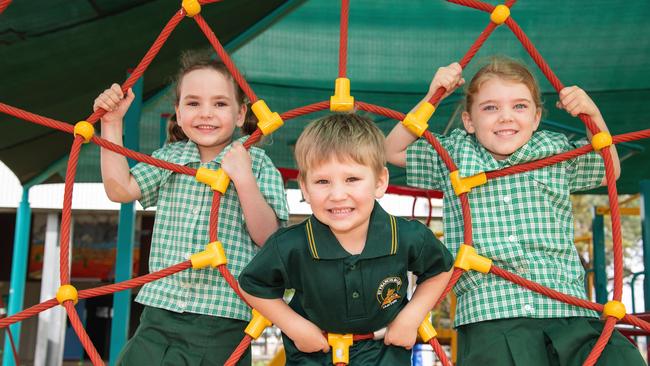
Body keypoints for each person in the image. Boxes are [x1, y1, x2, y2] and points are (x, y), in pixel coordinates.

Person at [385, 56, 644, 365]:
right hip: (492, 313)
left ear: (536, 117)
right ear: (469, 121)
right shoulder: (453, 153)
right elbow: (391, 150)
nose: (505, 117)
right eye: (490, 107)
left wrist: (593, 115)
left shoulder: (554, 150)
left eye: (519, 106)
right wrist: (432, 96)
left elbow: (608, 170)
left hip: (567, 307)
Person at [94, 53, 289, 365]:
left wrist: (244, 179)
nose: (206, 113)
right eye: (194, 103)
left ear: (240, 114)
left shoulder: (256, 162)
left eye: (220, 104)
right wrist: (112, 123)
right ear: (178, 113)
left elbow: (269, 236)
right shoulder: (170, 158)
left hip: (223, 318)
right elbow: (119, 189)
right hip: (159, 313)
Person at [238, 113, 454, 365]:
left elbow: (440, 269)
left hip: (384, 354)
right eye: (322, 181)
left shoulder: (406, 236)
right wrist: (295, 327)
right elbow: (252, 284)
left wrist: (411, 316)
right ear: (305, 189)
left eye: (351, 179)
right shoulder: (291, 244)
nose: (337, 194)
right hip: (313, 355)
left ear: (380, 182)